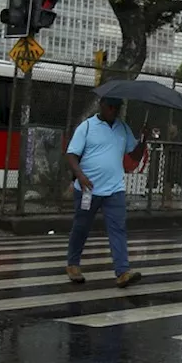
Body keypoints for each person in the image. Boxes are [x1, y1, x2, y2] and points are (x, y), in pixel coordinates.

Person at [65, 97, 146, 287]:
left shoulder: (122, 128)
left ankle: (122, 271)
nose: (114, 110)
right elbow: (71, 155)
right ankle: (73, 264)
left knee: (118, 229)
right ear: (101, 105)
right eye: (110, 106)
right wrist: (80, 176)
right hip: (88, 188)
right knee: (81, 227)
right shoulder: (86, 127)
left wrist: (143, 141)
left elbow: (133, 155)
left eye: (117, 107)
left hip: (114, 189)